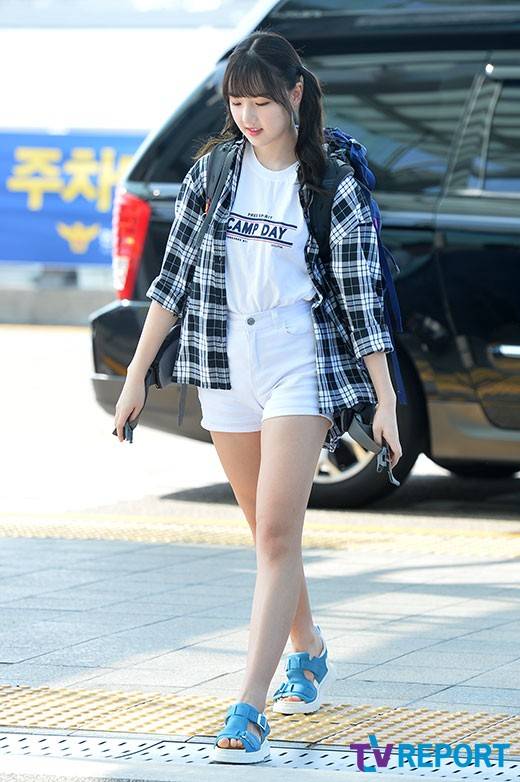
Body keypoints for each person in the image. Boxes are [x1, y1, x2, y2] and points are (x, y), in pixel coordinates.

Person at [114, 30, 402, 765]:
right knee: (266, 534)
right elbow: (172, 281)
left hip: (296, 360)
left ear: (295, 94)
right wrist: (136, 376)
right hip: (223, 362)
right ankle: (308, 646)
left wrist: (385, 399)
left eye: (262, 102)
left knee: (276, 534)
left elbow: (362, 300)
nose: (248, 116)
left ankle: (247, 708)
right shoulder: (213, 173)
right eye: (238, 103)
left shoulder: (330, 182)